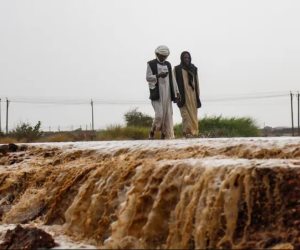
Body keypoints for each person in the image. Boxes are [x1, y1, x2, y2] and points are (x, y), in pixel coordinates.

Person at [146, 45, 179, 139]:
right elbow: (148, 78)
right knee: (159, 115)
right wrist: (158, 75)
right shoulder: (151, 64)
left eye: (165, 56)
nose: (164, 57)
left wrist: (176, 93)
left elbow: (172, 79)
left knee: (167, 116)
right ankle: (152, 131)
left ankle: (164, 137)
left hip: (167, 93)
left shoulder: (168, 64)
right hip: (157, 93)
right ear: (157, 54)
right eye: (162, 56)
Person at [173, 51, 201, 138]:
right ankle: (186, 133)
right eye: (185, 57)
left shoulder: (194, 68)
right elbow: (173, 83)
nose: (187, 59)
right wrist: (176, 95)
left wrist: (198, 97)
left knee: (193, 117)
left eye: (188, 57)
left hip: (192, 97)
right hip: (182, 97)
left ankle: (194, 133)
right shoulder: (177, 69)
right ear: (181, 58)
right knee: (185, 116)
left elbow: (197, 83)